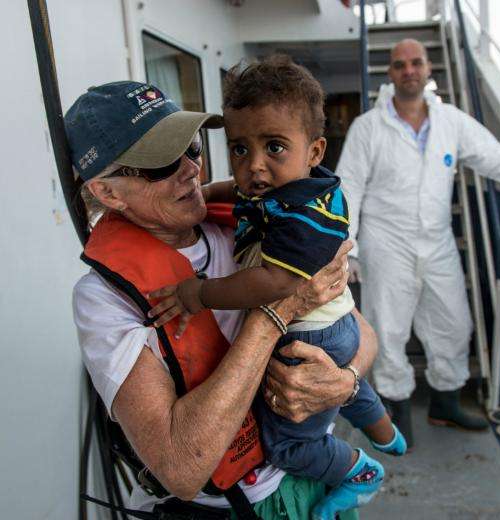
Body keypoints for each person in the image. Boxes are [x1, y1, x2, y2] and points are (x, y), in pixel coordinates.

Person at [68, 80, 378, 519]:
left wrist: (345, 383)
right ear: (108, 192)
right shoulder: (104, 298)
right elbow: (181, 467)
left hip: (311, 474)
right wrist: (278, 308)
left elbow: (363, 335)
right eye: (160, 165)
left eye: (191, 148)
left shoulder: (256, 222)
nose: (190, 170)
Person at [146, 56, 406, 520]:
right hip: (338, 322)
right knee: (347, 380)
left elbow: (274, 284)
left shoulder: (302, 213)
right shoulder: (283, 186)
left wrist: (198, 293)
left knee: (286, 446)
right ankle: (385, 432)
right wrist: (203, 196)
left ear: (316, 150)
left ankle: (358, 471)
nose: (255, 167)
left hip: (309, 333)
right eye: (240, 149)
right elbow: (237, 189)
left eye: (274, 147)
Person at [336, 38, 500, 447]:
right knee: (388, 331)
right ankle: (397, 410)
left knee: (455, 326)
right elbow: (348, 186)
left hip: (436, 243)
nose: (409, 70)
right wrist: (347, 246)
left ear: (427, 70)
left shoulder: (451, 122)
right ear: (391, 73)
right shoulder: (368, 127)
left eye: (416, 63)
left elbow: (497, 159)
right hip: (387, 243)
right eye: (400, 64)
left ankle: (445, 403)